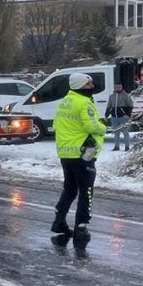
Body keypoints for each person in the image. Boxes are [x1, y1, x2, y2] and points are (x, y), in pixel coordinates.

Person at [51, 72, 106, 248]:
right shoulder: (84, 103)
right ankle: (81, 227)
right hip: (84, 154)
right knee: (86, 191)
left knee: (69, 190)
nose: (92, 87)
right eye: (89, 84)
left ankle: (59, 221)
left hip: (66, 154)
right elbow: (92, 126)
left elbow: (56, 125)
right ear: (82, 86)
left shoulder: (64, 102)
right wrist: (103, 127)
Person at [105, 82, 134, 151]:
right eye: (116, 87)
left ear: (121, 87)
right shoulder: (111, 96)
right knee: (116, 133)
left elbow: (130, 106)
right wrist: (106, 115)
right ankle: (116, 146)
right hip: (114, 117)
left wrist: (127, 114)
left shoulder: (126, 95)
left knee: (125, 132)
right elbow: (109, 106)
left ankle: (127, 147)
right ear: (114, 88)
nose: (117, 88)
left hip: (123, 118)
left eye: (119, 87)